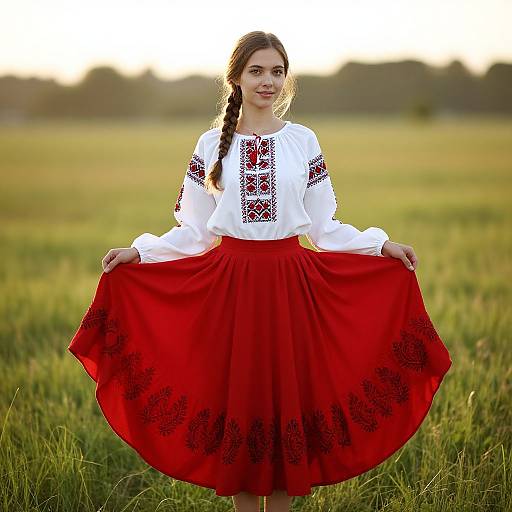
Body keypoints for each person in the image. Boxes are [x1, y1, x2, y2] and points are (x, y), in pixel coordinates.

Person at [68, 31, 452, 512]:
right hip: (231, 289)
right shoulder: (211, 144)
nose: (267, 81)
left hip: (293, 287)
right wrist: (140, 254)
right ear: (236, 79)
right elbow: (195, 231)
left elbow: (324, 227)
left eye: (276, 72)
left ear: (286, 79)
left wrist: (380, 247)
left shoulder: (303, 141)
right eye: (256, 71)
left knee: (287, 404)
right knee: (243, 406)